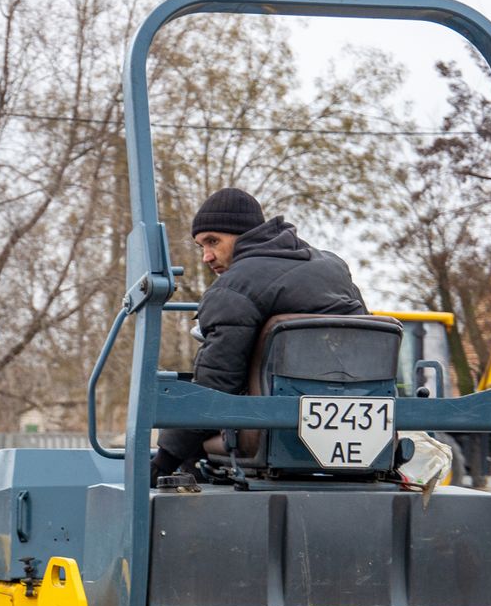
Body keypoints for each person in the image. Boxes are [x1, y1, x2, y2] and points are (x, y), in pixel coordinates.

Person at [152, 187, 370, 479]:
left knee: (194, 432)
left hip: (277, 432)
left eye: (213, 241)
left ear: (243, 234)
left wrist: (163, 461)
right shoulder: (333, 266)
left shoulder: (232, 288)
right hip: (359, 426)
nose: (206, 256)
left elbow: (214, 384)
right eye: (201, 246)